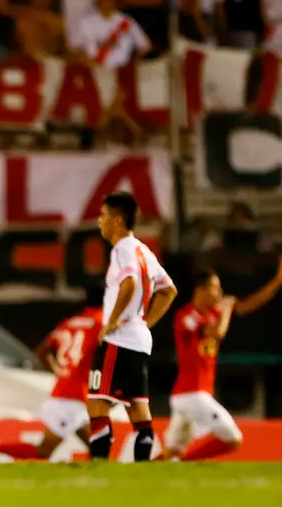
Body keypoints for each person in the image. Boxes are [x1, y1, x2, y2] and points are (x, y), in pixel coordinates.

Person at [163, 258, 282, 461]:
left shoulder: (211, 313)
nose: (220, 293)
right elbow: (217, 333)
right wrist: (225, 310)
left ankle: (137, 473)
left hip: (186, 397)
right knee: (232, 439)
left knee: (170, 453)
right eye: (216, 288)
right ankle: (184, 464)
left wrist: (277, 281)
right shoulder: (187, 315)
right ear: (201, 289)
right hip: (193, 395)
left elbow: (248, 305)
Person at [87, 192, 178, 462]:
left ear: (117, 220)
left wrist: (112, 322)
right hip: (139, 340)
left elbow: (129, 284)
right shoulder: (144, 250)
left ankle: (98, 468)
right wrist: (145, 323)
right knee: (139, 410)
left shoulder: (122, 249)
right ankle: (141, 472)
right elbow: (169, 290)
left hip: (120, 339)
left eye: (103, 215)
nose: (99, 221)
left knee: (97, 404)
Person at [0, 290, 104, 461]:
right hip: (74, 398)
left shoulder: (70, 323)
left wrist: (61, 372)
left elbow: (42, 351)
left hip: (65, 393)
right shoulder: (101, 322)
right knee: (91, 450)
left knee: (95, 450)